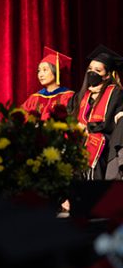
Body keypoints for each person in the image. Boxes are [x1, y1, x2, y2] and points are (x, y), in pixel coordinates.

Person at [69, 45, 123, 180]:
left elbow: (112, 124)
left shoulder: (115, 92)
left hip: (104, 140)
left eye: (97, 70)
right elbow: (70, 118)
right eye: (90, 69)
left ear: (107, 75)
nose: (92, 72)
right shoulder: (80, 96)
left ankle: (93, 190)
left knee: (95, 141)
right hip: (80, 137)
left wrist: (88, 128)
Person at [21, 46, 74, 120]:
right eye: (39, 71)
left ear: (56, 72)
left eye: (45, 70)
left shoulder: (67, 96)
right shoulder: (34, 98)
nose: (40, 74)